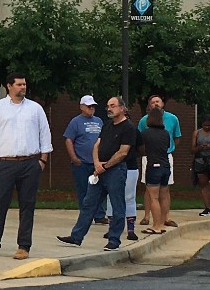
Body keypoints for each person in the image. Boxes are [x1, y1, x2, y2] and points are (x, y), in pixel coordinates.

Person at [0, 73, 52, 261]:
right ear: (9, 86)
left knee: (27, 205)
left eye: (24, 84)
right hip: (5, 163)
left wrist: (42, 160)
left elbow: (45, 134)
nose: (23, 87)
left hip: (30, 163)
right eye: (19, 84)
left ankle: (23, 246)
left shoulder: (35, 109)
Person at [57, 95, 139, 251]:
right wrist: (97, 163)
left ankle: (114, 240)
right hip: (100, 169)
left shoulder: (128, 128)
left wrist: (105, 166)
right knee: (89, 203)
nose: (109, 108)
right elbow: (97, 145)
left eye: (113, 105)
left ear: (122, 108)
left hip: (116, 171)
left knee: (117, 205)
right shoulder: (107, 125)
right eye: (108, 105)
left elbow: (123, 153)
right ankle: (76, 236)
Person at [136, 96, 182, 228]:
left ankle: (164, 219)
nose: (155, 104)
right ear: (149, 106)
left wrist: (169, 149)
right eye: (152, 102)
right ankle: (146, 216)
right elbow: (140, 139)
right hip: (150, 157)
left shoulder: (173, 118)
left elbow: (176, 138)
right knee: (148, 188)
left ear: (163, 104)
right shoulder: (144, 120)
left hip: (165, 156)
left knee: (163, 189)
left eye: (158, 101)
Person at [61, 95, 103, 220]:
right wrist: (74, 158)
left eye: (93, 106)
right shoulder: (75, 122)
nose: (92, 109)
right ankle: (86, 216)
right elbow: (69, 140)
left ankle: (100, 215)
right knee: (83, 190)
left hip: (96, 162)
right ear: (82, 107)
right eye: (89, 106)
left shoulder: (99, 121)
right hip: (81, 163)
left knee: (98, 190)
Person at [138, 110, 173, 232]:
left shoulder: (145, 134)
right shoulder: (166, 133)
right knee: (163, 196)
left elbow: (141, 150)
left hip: (153, 166)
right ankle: (162, 224)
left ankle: (156, 226)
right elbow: (168, 146)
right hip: (166, 165)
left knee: (154, 197)